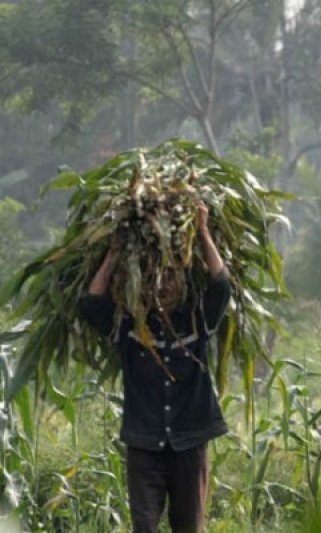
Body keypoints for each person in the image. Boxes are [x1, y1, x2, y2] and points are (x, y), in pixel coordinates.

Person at [80, 202, 230, 533]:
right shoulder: (131, 328)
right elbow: (91, 303)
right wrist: (114, 253)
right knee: (144, 527)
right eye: (154, 276)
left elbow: (221, 285)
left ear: (183, 281)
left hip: (189, 442)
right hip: (144, 444)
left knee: (188, 527)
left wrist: (203, 232)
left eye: (171, 276)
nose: (163, 283)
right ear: (142, 281)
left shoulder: (197, 321)